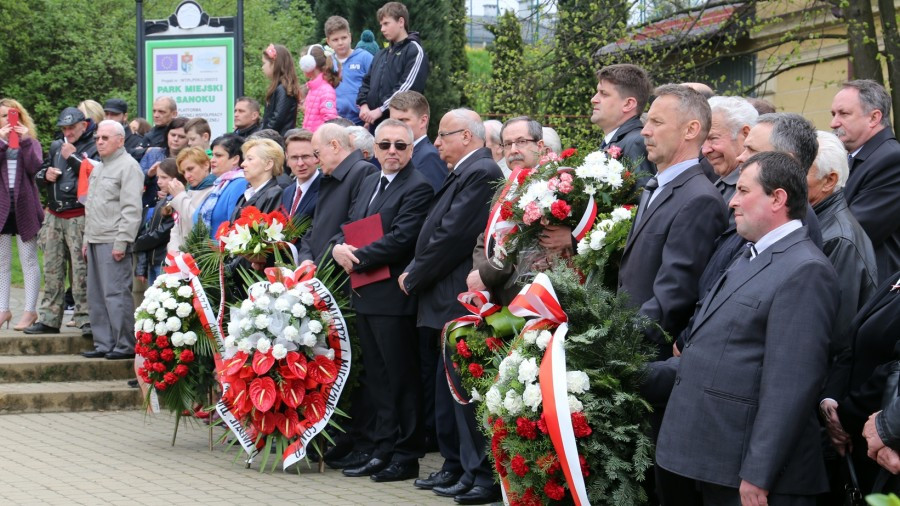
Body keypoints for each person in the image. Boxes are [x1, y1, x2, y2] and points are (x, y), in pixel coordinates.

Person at [655, 151, 840, 505]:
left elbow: (791, 384)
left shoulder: (805, 270)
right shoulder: (752, 254)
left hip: (752, 479)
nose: (731, 202)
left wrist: (759, 473)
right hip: (714, 461)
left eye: (742, 190)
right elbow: (715, 351)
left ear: (777, 198)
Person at [401, 109, 502, 505]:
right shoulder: (464, 171)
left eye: (444, 135)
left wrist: (413, 274)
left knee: (463, 390)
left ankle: (476, 471)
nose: (436, 142)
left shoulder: (480, 172)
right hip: (441, 296)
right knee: (447, 390)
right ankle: (455, 464)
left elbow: (452, 236)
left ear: (467, 135)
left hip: (455, 296)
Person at [331, 118, 434, 482]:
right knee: (377, 378)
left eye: (400, 146)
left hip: (393, 298)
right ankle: (381, 447)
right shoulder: (372, 181)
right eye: (385, 145)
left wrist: (354, 256)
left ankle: (405, 455)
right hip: (365, 293)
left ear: (410, 149)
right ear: (374, 149)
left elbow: (402, 239)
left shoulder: (418, 186)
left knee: (400, 378)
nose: (392, 152)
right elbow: (349, 224)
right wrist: (337, 249)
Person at [618, 84, 727, 359]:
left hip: (648, 356)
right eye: (647, 122)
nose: (645, 131)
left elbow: (674, 296)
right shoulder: (656, 186)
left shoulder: (699, 198)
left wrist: (619, 342)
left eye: (657, 122)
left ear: (690, 130)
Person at [25, 107, 96, 336]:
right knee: (52, 269)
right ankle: (49, 318)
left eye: (71, 128)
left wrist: (72, 157)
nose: (68, 132)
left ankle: (85, 318)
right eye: (64, 128)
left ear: (83, 125)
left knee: (81, 271)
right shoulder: (57, 145)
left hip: (79, 215)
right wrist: (45, 175)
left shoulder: (94, 145)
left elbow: (95, 177)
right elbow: (40, 173)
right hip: (55, 215)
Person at [808, 130, 878, 349]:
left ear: (829, 180)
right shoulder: (815, 221)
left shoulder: (839, 239)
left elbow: (833, 333)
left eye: (799, 170)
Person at [81, 120, 144, 360]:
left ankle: (124, 344)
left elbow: (131, 210)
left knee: (116, 293)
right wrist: (87, 239)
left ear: (120, 140)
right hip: (96, 237)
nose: (99, 142)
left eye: (105, 138)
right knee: (96, 295)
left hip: (113, 239)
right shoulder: (99, 167)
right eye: (98, 138)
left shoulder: (128, 167)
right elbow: (92, 207)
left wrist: (122, 242)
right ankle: (104, 343)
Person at [831, 79, 900, 281]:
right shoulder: (854, 157)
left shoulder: (892, 160)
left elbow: (854, 232)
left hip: (873, 289)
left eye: (843, 114)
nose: (833, 123)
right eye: (833, 114)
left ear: (874, 118)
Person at [298, 124, 377, 267]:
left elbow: (354, 225)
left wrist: (319, 263)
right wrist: (306, 258)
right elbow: (315, 227)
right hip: (320, 270)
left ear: (334, 145)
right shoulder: (330, 176)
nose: (315, 161)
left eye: (317, 153)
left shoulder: (364, 171)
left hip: (337, 271)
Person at [0, 99, 43, 331]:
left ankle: (29, 310)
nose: (8, 120)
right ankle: (3, 309)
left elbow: (34, 166)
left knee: (28, 260)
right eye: (3, 116)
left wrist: (24, 140)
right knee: (2, 262)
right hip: (2, 209)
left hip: (25, 208)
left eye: (12, 115)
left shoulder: (30, 142)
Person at [357, 2, 429, 128]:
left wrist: (380, 110)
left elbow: (407, 87)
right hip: (374, 124)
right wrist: (364, 106)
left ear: (401, 22)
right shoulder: (381, 54)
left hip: (400, 126)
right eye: (381, 25)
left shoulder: (414, 50)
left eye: (386, 24)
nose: (382, 29)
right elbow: (366, 82)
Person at [591, 64, 654, 179]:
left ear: (628, 104)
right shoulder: (615, 141)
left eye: (604, 93)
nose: (594, 99)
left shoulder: (636, 143)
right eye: (597, 93)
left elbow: (641, 194)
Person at [701, 96, 758, 207]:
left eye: (713, 138)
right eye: (702, 141)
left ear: (745, 134)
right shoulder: (724, 182)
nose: (705, 150)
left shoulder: (757, 188)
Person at [134, 158, 181, 287]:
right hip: (153, 262)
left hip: (165, 262)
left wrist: (137, 243)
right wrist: (141, 266)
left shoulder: (177, 201)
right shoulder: (161, 201)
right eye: (158, 177)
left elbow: (163, 232)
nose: (159, 182)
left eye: (164, 177)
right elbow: (148, 230)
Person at [388, 91, 446, 191]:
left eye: (403, 120)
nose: (396, 126)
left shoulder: (429, 157)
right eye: (392, 121)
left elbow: (432, 201)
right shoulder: (394, 153)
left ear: (423, 121)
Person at [325, 16, 374, 126]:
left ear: (350, 37)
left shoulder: (364, 58)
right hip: (335, 122)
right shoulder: (328, 62)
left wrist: (370, 114)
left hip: (362, 121)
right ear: (328, 41)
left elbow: (375, 86)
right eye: (335, 40)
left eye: (344, 38)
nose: (340, 42)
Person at [166, 147, 216, 253]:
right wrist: (173, 252)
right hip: (182, 259)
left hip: (201, 257)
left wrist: (179, 196)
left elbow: (198, 225)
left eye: (190, 169)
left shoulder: (214, 191)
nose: (187, 176)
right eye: (184, 172)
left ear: (206, 165)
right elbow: (177, 227)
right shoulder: (188, 191)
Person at [196, 134, 246, 239]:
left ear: (235, 159)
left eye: (218, 156)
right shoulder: (219, 184)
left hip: (221, 252)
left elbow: (234, 228)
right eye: (213, 155)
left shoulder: (240, 184)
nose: (212, 160)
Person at [139, 117, 189, 208]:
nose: (176, 139)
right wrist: (149, 175)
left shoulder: (190, 160)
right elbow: (135, 180)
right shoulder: (153, 153)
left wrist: (170, 196)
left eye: (181, 136)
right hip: (149, 208)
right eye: (173, 135)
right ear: (167, 135)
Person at [231, 138, 285, 217]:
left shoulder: (274, 194)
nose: (242, 164)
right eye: (245, 159)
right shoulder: (245, 195)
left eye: (250, 159)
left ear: (268, 164)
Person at [261, 44, 301, 136]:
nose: (262, 67)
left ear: (275, 63)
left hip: (279, 140)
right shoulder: (279, 87)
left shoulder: (283, 89)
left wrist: (262, 135)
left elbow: (277, 118)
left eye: (264, 63)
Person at [299, 45, 341, 132]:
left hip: (318, 142)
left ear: (310, 64)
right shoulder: (313, 88)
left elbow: (330, 120)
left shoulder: (326, 91)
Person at [281, 130, 320, 222]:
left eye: (305, 156)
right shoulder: (287, 192)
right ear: (287, 158)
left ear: (316, 156)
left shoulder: (327, 189)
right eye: (294, 157)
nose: (300, 163)